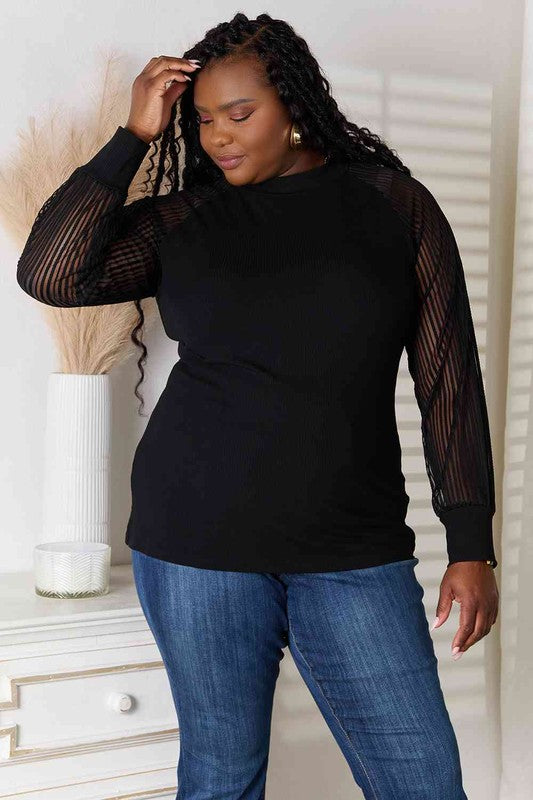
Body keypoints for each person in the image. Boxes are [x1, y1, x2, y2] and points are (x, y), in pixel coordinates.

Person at [16, 12, 499, 800]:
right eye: (204, 120)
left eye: (239, 115)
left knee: (423, 781)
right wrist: (133, 135)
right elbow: (51, 274)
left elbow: (447, 376)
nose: (217, 137)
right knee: (221, 779)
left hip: (351, 548)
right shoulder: (186, 219)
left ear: (294, 108)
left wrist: (470, 543)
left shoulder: (393, 206)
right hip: (195, 542)